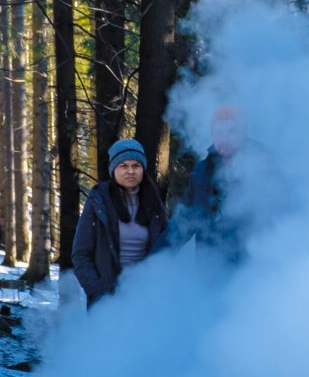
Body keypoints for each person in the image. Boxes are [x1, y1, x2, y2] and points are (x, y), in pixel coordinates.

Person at [171, 104, 277, 264]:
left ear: (243, 133)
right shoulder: (202, 171)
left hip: (251, 270)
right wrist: (150, 263)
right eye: (218, 133)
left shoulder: (262, 165)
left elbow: (278, 216)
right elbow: (183, 223)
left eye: (231, 132)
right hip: (209, 267)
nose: (224, 139)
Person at [72, 138, 167, 307]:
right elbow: (80, 254)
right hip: (108, 299)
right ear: (113, 169)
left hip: (146, 298)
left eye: (136, 166)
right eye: (124, 166)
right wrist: (97, 290)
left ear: (143, 169)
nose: (130, 171)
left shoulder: (154, 203)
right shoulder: (98, 202)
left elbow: (165, 250)